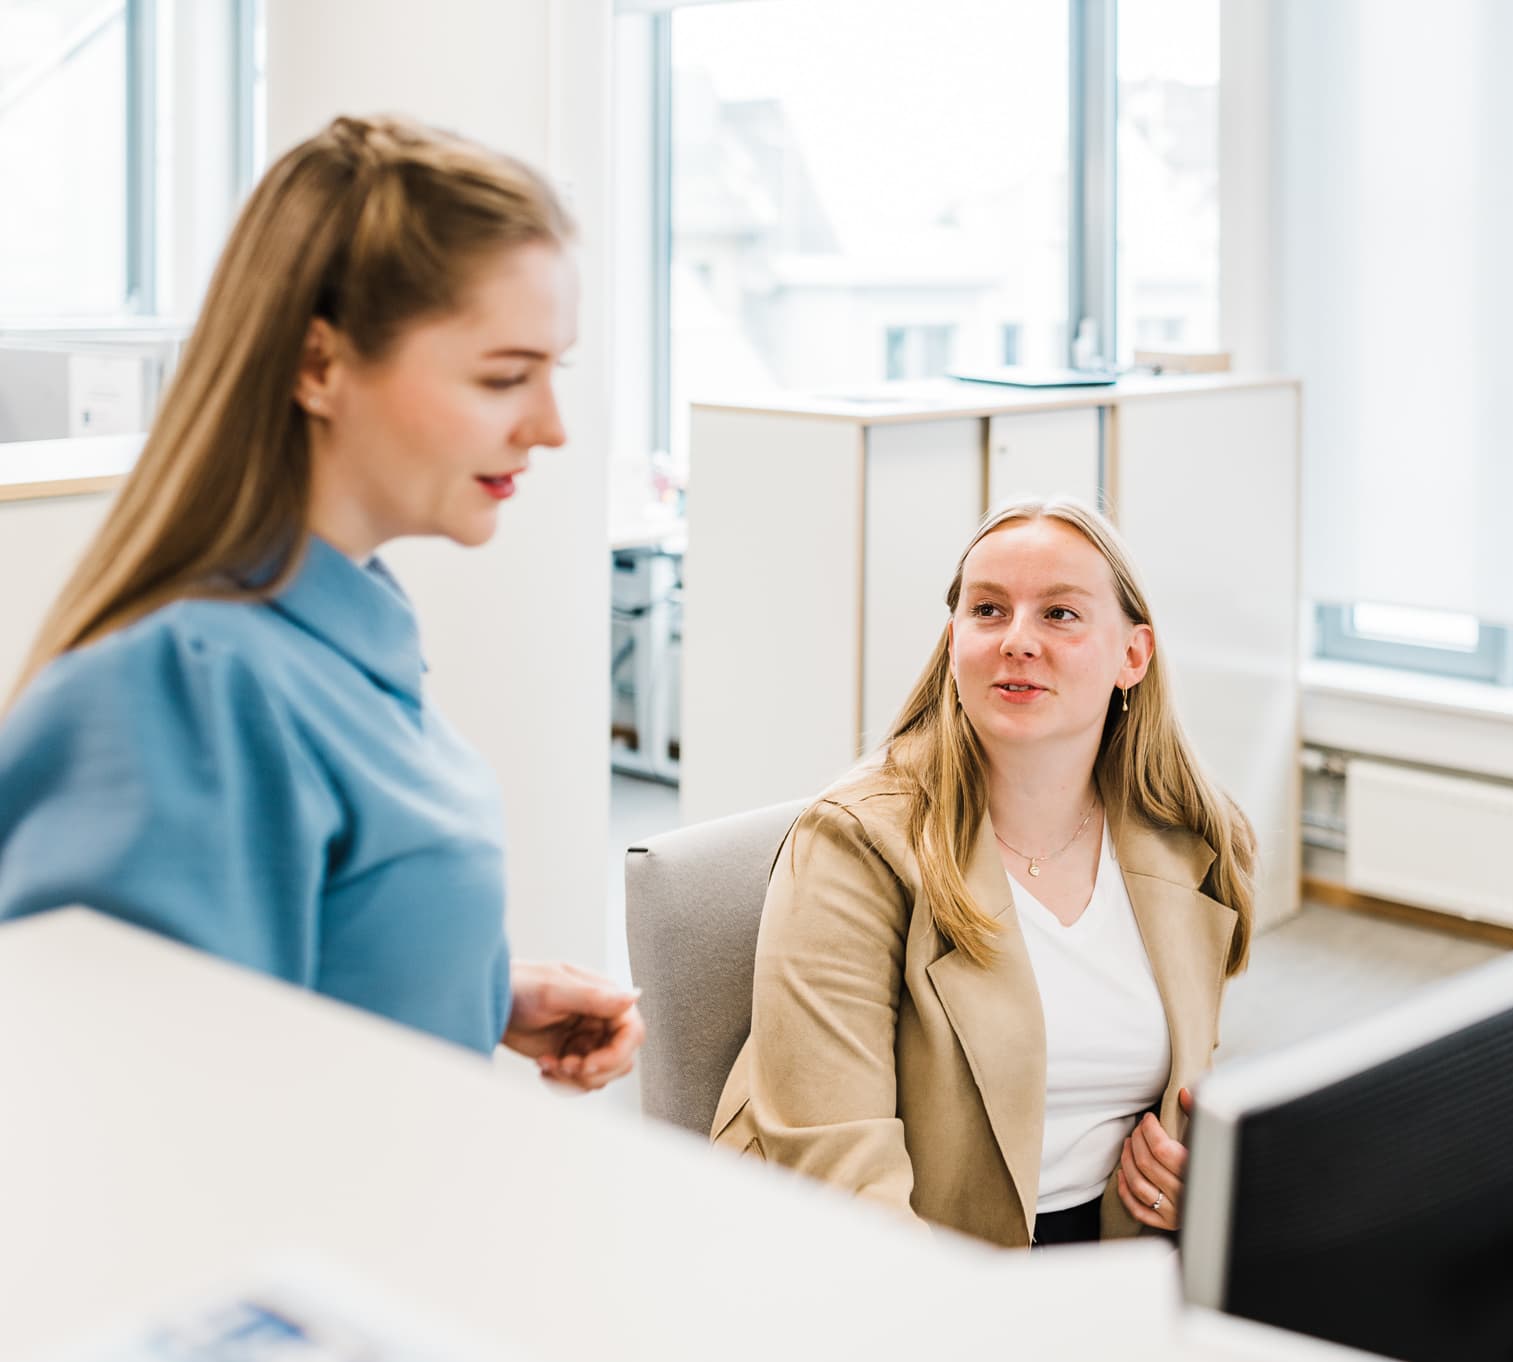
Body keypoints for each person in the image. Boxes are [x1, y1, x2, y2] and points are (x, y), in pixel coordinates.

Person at [0, 114, 640, 1089]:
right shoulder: (183, 690)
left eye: (556, 372)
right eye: (506, 376)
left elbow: (278, 973)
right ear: (318, 365)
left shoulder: (342, 636)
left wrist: (472, 987)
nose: (549, 427)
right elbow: (134, 1133)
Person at [710, 498, 1256, 1246]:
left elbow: (1189, 1078)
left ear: (1133, 655)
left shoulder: (1195, 839)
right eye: (989, 610)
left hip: (1110, 1251)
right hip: (904, 1260)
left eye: (1060, 614)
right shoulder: (853, 846)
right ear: (954, 641)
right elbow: (839, 1170)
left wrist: (1194, 1171)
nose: (1017, 641)